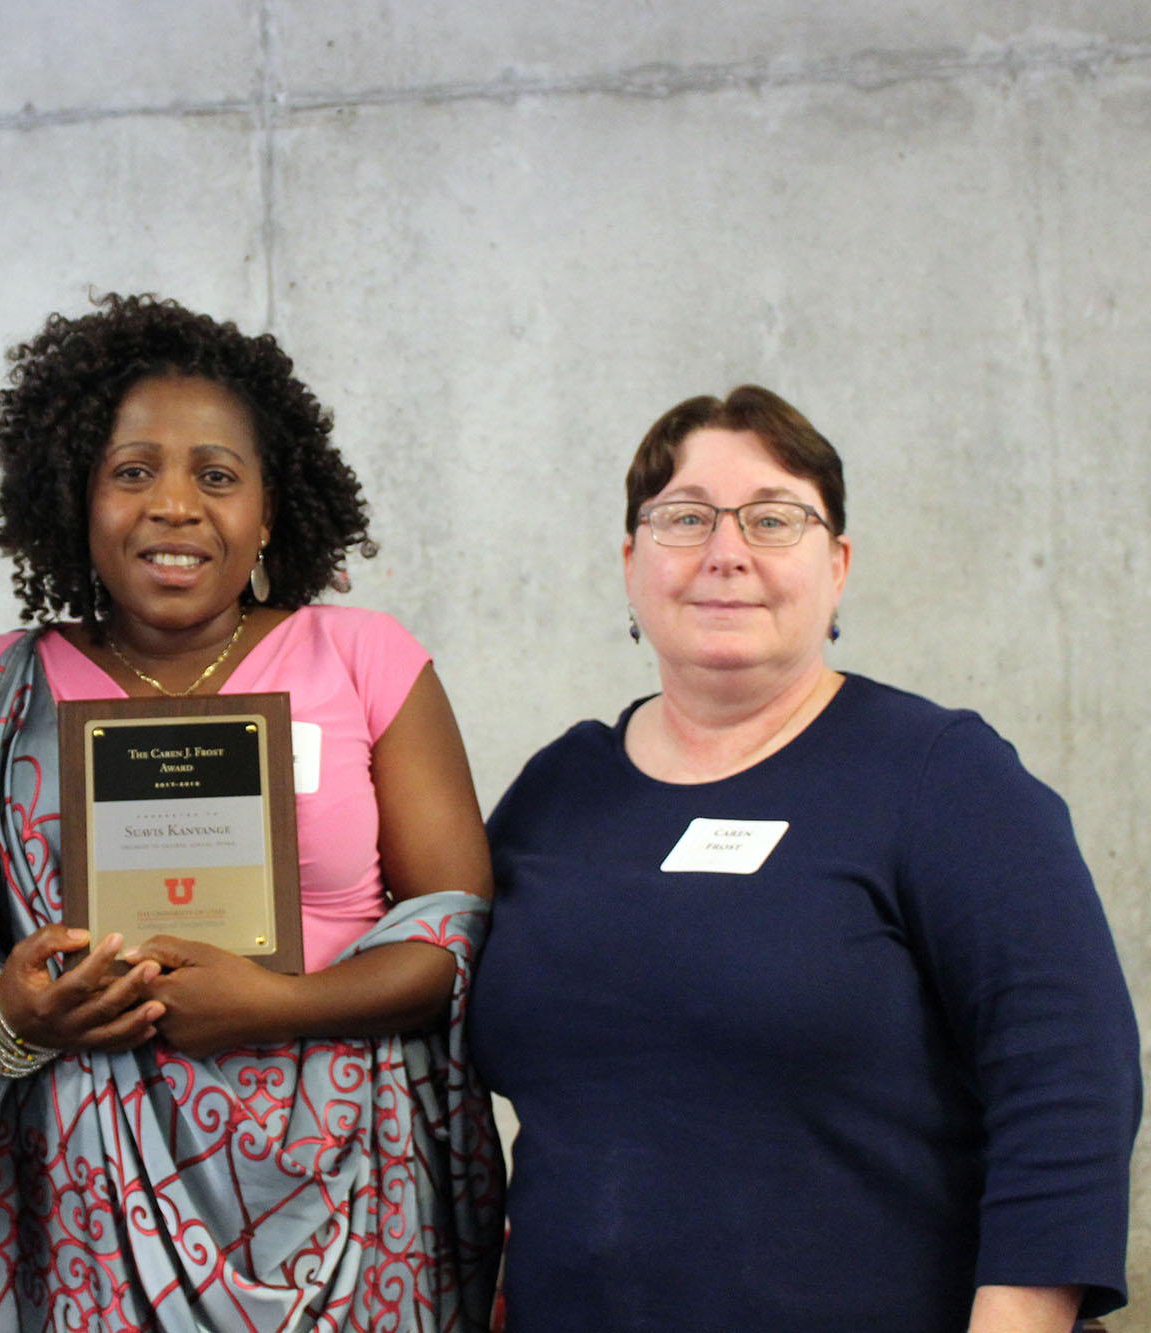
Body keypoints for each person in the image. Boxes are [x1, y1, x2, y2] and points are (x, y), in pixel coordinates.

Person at [468, 385, 1141, 1332]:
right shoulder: (555, 793)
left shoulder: (941, 776)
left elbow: (1069, 1077)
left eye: (774, 519)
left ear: (838, 566)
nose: (725, 551)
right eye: (685, 517)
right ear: (630, 564)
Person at [0, 293, 502, 1331]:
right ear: (75, 499)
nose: (174, 505)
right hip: (73, 1211)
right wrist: (6, 1017)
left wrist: (271, 1005)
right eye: (130, 471)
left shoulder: (363, 661)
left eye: (216, 477)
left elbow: (451, 933)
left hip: (344, 1200)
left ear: (266, 510)